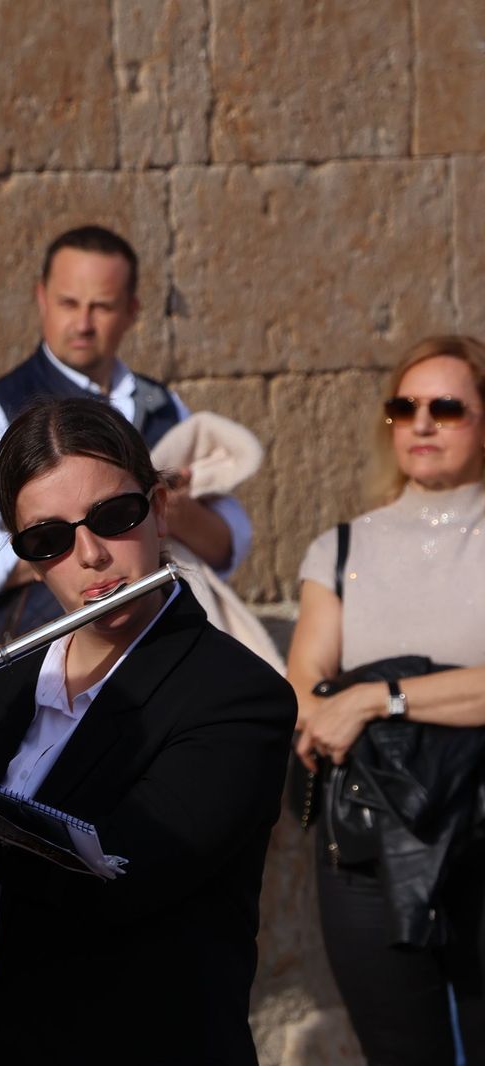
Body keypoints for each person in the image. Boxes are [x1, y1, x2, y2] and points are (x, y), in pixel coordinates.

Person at [0, 397, 294, 1064]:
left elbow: (111, 873)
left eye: (114, 517)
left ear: (159, 509)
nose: (89, 554)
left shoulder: (237, 698)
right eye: (48, 539)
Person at [289, 336, 485, 1066]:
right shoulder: (341, 549)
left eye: (447, 408)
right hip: (367, 832)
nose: (422, 423)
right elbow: (303, 687)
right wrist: (331, 704)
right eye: (405, 407)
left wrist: (379, 698)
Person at [0, 225, 253, 649]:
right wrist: (55, 548)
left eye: (102, 307)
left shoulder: (164, 404)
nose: (83, 324)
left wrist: (167, 512)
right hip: (49, 652)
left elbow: (230, 545)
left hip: (170, 638)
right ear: (41, 298)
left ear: (131, 311)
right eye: (68, 303)